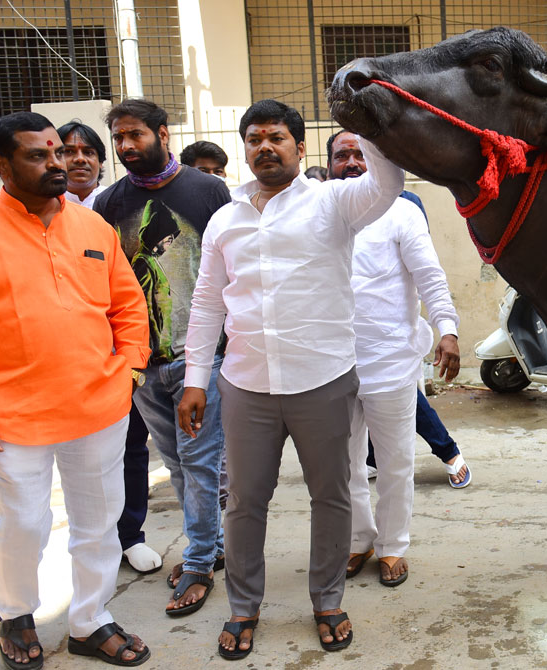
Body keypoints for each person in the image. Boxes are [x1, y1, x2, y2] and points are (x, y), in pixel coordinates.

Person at [177, 99, 402, 658]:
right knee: (244, 501)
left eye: (276, 137)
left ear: (299, 148)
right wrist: (195, 379)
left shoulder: (334, 202)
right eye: (254, 139)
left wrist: (368, 121)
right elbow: (207, 304)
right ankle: (243, 607)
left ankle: (327, 600)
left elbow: (387, 184)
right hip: (246, 384)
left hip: (321, 379)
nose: (264, 148)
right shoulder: (226, 219)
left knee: (331, 495)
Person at [0, 111, 152, 668]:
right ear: (1, 165)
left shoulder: (92, 228)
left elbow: (128, 306)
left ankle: (90, 620)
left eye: (58, 151)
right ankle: (15, 612)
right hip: (8, 415)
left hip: (98, 407)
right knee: (24, 522)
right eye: (38, 155)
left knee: (99, 521)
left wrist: (129, 370)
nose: (58, 163)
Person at [94, 98, 231, 616]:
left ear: (162, 134)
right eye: (119, 138)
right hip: (142, 364)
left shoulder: (207, 190)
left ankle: (198, 562)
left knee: (199, 462)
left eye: (135, 134)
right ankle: (212, 545)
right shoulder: (108, 203)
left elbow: (230, 268)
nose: (126, 145)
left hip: (201, 360)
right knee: (176, 462)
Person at [328, 131, 462, 588]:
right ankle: (358, 540)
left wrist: (447, 329)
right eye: (342, 155)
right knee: (344, 465)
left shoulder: (402, 212)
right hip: (331, 366)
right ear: (328, 164)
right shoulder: (321, 211)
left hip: (389, 362)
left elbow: (429, 275)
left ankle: (392, 546)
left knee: (395, 462)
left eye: (361, 154)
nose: (352, 162)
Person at [57, 120, 108, 208]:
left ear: (100, 162)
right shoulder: (43, 205)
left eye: (88, 152)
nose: (80, 159)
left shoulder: (117, 201)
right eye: (69, 151)